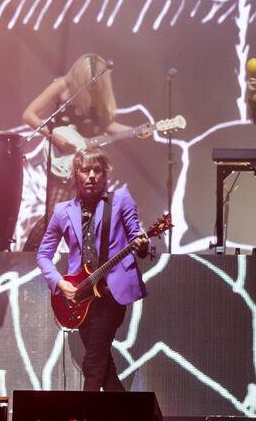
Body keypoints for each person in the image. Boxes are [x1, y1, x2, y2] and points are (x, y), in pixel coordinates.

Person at [36, 147, 150, 391]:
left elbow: (136, 240)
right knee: (104, 370)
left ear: (105, 175)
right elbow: (44, 254)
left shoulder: (120, 200)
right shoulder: (62, 211)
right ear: (75, 175)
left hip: (110, 294)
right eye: (85, 170)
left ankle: (83, 414)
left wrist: (142, 244)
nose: (91, 176)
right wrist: (58, 282)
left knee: (92, 365)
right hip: (80, 295)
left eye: (97, 170)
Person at [22, 53, 153, 251]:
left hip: (88, 163)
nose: (93, 86)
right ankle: (28, 257)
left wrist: (135, 131)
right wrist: (53, 137)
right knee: (54, 216)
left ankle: (88, 269)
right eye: (89, 82)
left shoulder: (100, 92)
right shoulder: (62, 86)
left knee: (91, 216)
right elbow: (29, 114)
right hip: (62, 162)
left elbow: (107, 124)